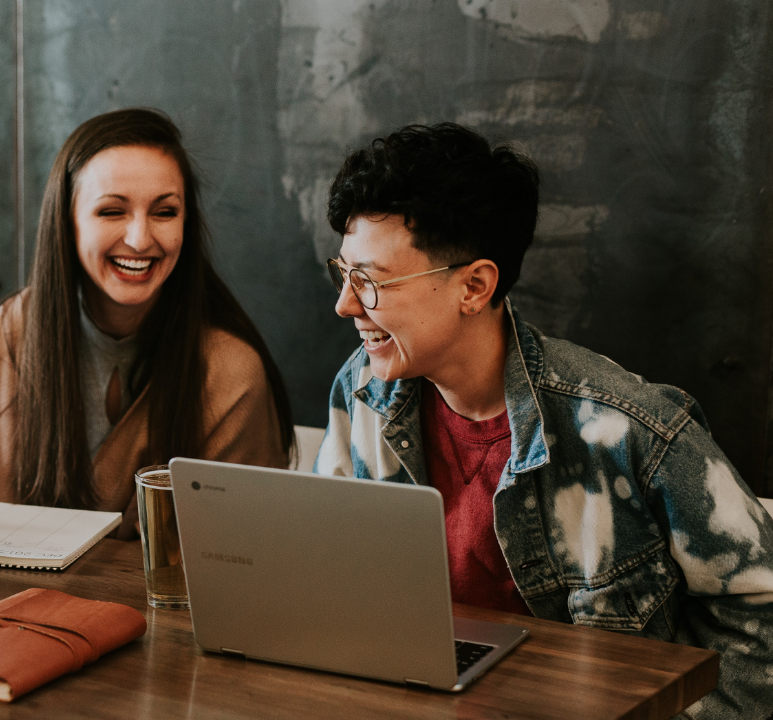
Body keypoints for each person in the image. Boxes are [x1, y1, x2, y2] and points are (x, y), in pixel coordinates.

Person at [311, 123, 773, 719]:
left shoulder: (628, 428)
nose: (346, 303)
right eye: (343, 273)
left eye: (371, 281)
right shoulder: (364, 389)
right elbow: (329, 579)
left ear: (475, 286)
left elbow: (761, 614)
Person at [0, 108, 292, 538]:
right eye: (112, 212)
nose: (139, 238)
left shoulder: (230, 373)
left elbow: (246, 556)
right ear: (68, 222)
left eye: (165, 212)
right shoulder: (9, 334)